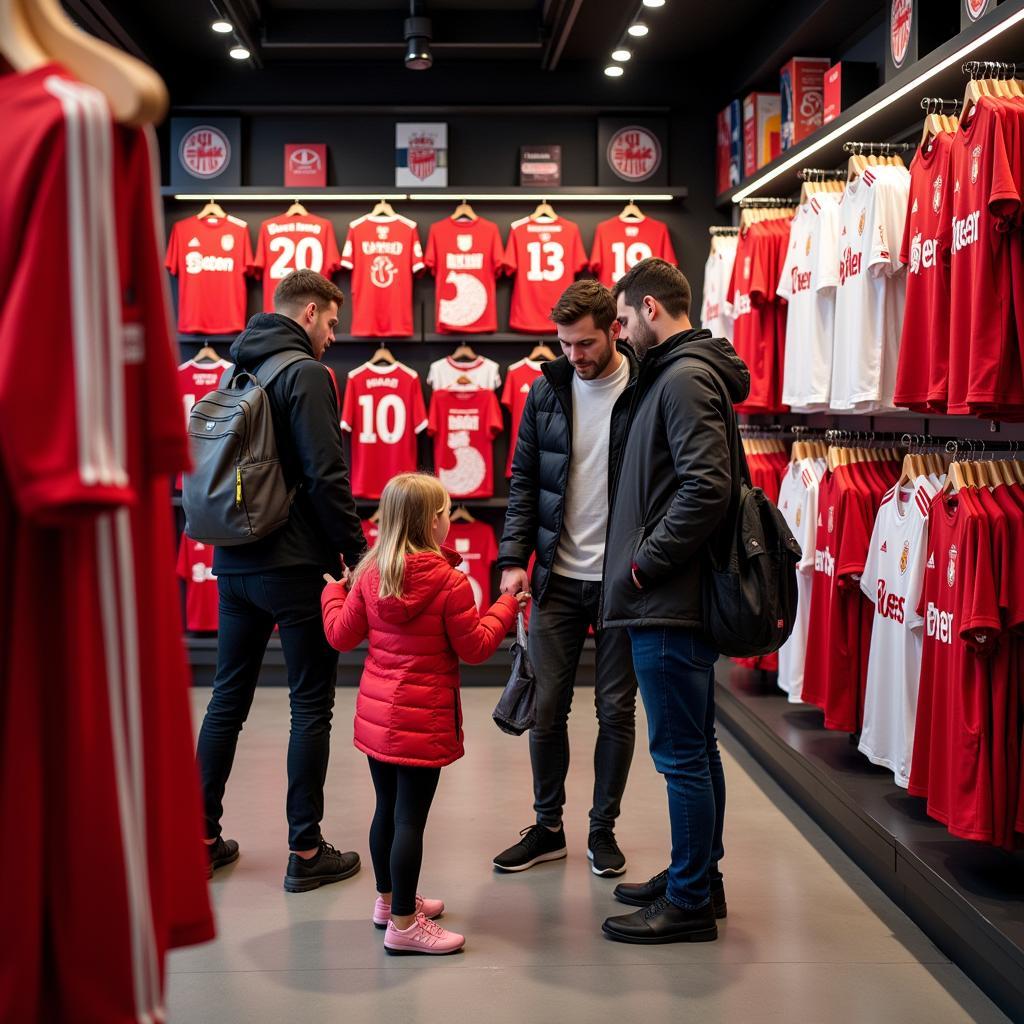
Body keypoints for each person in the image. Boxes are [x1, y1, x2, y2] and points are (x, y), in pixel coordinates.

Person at [195, 269, 367, 893]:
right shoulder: (306, 374)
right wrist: (354, 549)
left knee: (227, 699)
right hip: (296, 566)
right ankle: (305, 849)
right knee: (309, 705)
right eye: (331, 322)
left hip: (234, 561)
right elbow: (326, 475)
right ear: (312, 311)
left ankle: (201, 841)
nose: (333, 335)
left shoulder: (236, 371)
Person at [600, 258, 750, 944]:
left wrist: (641, 566)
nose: (621, 331)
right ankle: (700, 877)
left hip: (667, 598)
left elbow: (706, 489)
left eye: (625, 318)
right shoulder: (678, 374)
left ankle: (690, 899)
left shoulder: (683, 378)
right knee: (696, 748)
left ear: (652, 309)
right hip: (668, 596)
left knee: (680, 753)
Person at [321, 473, 528, 955]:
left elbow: (339, 636)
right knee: (410, 819)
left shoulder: (370, 575)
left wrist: (334, 592)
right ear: (434, 522)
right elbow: (475, 647)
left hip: (378, 719)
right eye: (446, 513)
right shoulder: (451, 582)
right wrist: (504, 605)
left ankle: (388, 901)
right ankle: (404, 926)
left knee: (386, 810)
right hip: (423, 720)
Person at [494, 279, 639, 877]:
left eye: (584, 345)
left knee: (616, 709)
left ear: (615, 332)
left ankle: (601, 829)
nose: (573, 357)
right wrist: (510, 559)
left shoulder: (646, 388)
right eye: (564, 345)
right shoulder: (547, 390)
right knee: (547, 706)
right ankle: (548, 826)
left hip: (625, 581)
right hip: (556, 574)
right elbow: (524, 479)